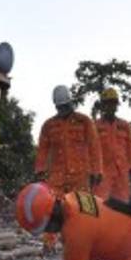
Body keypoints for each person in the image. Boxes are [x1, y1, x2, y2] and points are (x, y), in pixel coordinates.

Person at [34, 85, 102, 248]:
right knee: (51, 209)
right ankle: (49, 244)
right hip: (57, 177)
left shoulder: (84, 121)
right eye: (60, 107)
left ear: (70, 103)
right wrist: (40, 170)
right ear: (56, 106)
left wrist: (97, 170)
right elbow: (43, 149)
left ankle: (88, 243)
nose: (63, 109)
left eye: (66, 106)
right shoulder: (49, 125)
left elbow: (94, 146)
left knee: (86, 209)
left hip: (81, 175)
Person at [94, 87, 131, 202]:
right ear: (103, 106)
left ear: (116, 106)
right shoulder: (95, 127)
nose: (111, 106)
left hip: (122, 174)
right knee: (100, 205)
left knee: (122, 205)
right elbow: (90, 150)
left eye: (113, 103)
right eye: (108, 103)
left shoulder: (124, 126)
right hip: (102, 174)